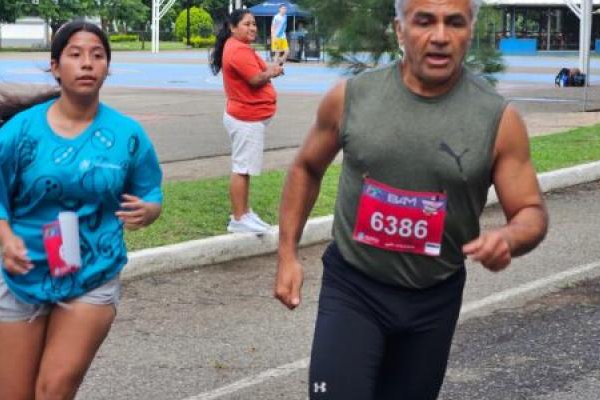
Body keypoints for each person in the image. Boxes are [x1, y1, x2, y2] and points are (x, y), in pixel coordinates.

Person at [273, 0, 549, 397]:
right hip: (354, 288)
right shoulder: (351, 98)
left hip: (433, 301)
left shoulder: (497, 119)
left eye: (454, 22)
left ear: (470, 31)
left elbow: (530, 211)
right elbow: (305, 169)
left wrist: (509, 238)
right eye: (424, 22)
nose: (439, 37)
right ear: (400, 31)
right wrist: (287, 254)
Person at [0, 20, 163, 399]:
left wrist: (149, 210)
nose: (87, 63)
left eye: (97, 55)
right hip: (23, 273)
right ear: (56, 66)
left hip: (93, 270)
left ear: (107, 66)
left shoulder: (128, 135)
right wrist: (7, 240)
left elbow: (150, 192)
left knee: (53, 389)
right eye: (75, 55)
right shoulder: (20, 133)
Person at [210, 9, 283, 234]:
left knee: (245, 168)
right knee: (242, 168)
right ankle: (239, 218)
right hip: (245, 118)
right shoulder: (237, 50)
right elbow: (255, 78)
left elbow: (262, 70)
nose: (252, 27)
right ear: (232, 27)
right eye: (246, 24)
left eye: (253, 24)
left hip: (248, 117)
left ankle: (244, 213)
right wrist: (273, 72)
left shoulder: (240, 48)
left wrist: (272, 68)